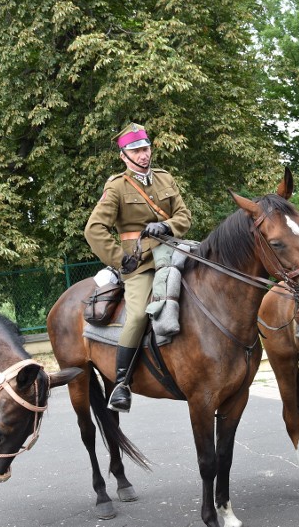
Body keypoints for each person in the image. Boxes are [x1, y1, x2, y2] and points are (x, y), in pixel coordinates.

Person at [84, 123, 191, 413]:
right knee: (136, 317)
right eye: (136, 151)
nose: (143, 155)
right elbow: (94, 229)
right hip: (140, 262)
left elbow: (184, 215)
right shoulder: (117, 186)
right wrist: (120, 259)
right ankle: (122, 384)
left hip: (174, 253)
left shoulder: (165, 178)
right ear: (124, 156)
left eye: (145, 149)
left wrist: (166, 224)